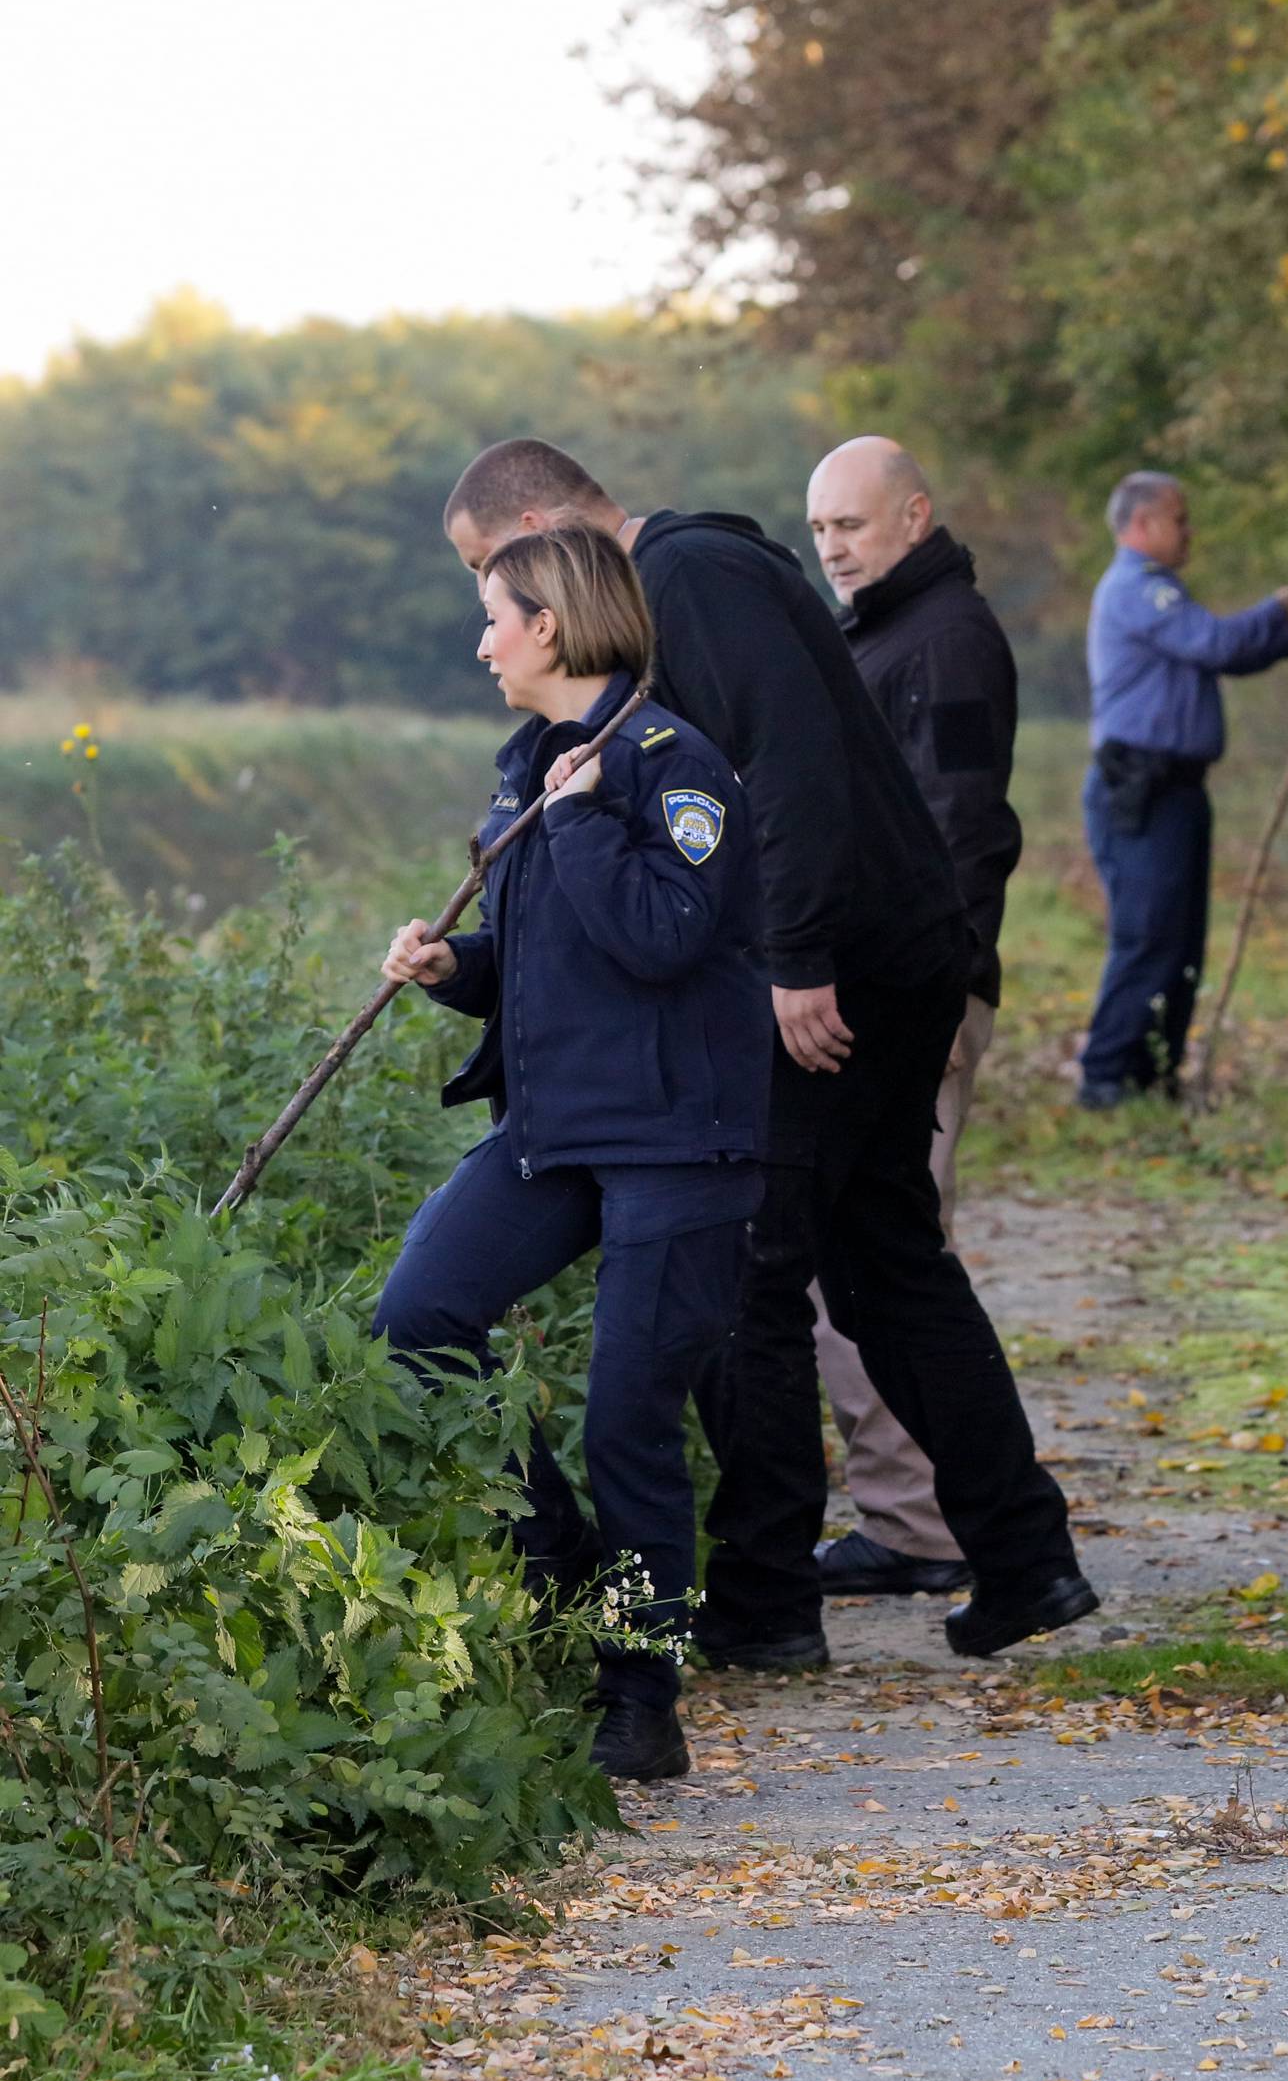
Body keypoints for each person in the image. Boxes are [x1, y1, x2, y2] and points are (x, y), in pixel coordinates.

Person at [440, 438, 1097, 1671]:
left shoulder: (690, 576)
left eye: (496, 569)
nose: (497, 607)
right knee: (884, 1258)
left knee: (757, 1274)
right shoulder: (691, 579)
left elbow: (789, 760)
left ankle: (764, 1601)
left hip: (844, 969)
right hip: (887, 948)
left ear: (540, 526)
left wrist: (795, 960)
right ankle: (1023, 1556)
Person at [375, 522, 768, 1786]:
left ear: (548, 623)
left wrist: (588, 817)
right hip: (553, 1130)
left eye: (493, 613)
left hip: (677, 1142)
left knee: (629, 1420)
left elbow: (660, 937)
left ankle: (640, 1694)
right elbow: (563, 957)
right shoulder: (532, 761)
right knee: (416, 1317)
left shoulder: (668, 764)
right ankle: (560, 1565)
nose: (480, 638)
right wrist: (455, 967)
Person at [804, 435, 1021, 1598]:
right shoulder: (884, 632)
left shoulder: (944, 643)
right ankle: (922, 1512)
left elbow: (964, 833)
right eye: (822, 527)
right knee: (875, 1258)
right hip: (892, 991)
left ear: (915, 516)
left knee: (888, 1261)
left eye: (854, 523)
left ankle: (925, 1526)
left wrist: (936, 997)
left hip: (916, 999)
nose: (835, 545)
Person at [1079, 471, 1288, 1105]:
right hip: (1139, 789)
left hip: (1177, 790)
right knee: (1146, 936)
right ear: (1141, 526)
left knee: (1180, 942)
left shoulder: (1163, 591)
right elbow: (1219, 642)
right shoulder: (1135, 589)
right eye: (1179, 518)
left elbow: (1236, 655)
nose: (1189, 530)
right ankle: (1106, 1078)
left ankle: (1154, 1074)